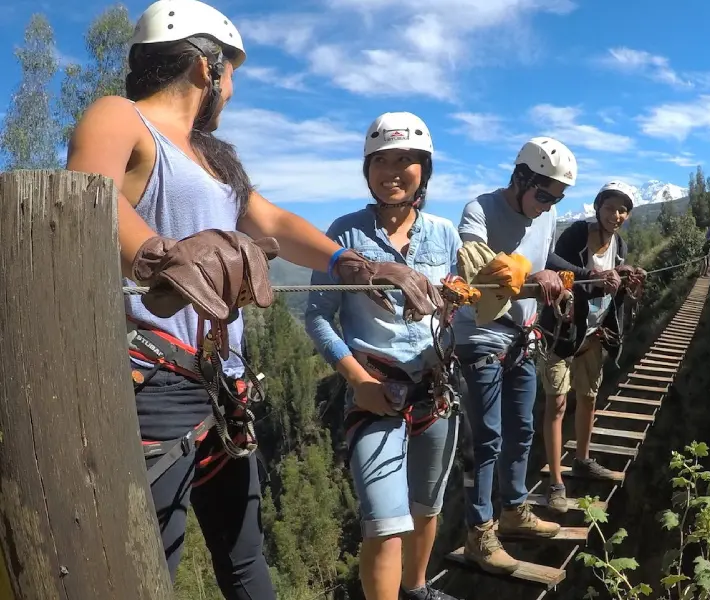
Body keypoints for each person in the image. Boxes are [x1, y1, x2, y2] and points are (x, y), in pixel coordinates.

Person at [65, 1, 442, 597]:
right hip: (155, 381)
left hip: (222, 385)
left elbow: (273, 220)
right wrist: (162, 254)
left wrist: (357, 264)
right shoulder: (121, 117)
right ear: (203, 68)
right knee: (144, 568)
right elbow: (88, 196)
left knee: (246, 560)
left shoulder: (214, 156)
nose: (232, 90)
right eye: (231, 73)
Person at [304, 112, 462, 600]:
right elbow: (318, 317)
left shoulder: (443, 235)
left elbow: (451, 311)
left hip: (433, 388)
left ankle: (416, 588)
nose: (393, 171)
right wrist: (359, 382)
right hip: (375, 387)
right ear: (367, 170)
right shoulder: (344, 235)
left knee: (426, 507)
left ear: (425, 171)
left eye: (406, 161)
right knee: (384, 524)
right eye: (382, 162)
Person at [450, 136, 579, 574]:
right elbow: (479, 264)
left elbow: (546, 257)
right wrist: (535, 273)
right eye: (543, 194)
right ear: (519, 177)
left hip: (523, 334)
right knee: (487, 438)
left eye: (556, 197)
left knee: (522, 428)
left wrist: (568, 276)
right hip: (481, 333)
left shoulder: (549, 213)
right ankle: (479, 533)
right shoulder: (479, 209)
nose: (548, 204)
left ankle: (514, 510)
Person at [536, 181, 645, 512]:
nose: (616, 215)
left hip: (593, 334)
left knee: (588, 398)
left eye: (623, 209)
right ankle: (556, 482)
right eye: (611, 207)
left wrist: (625, 279)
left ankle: (581, 459)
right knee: (556, 407)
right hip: (561, 333)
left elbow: (609, 290)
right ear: (598, 207)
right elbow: (551, 261)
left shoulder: (619, 244)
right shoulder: (577, 234)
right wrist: (591, 275)